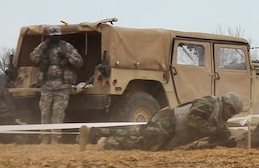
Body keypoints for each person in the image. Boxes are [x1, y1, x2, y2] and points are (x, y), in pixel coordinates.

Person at [79, 93, 243, 151]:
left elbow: (222, 134)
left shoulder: (219, 118)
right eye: (231, 111)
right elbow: (193, 120)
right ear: (226, 104)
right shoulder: (209, 103)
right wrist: (213, 129)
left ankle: (94, 133)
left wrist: (233, 139)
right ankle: (105, 144)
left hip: (170, 128)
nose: (231, 115)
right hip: (167, 121)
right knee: (144, 144)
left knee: (138, 133)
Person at [30, 25, 83, 144]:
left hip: (62, 85)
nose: (55, 39)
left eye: (57, 36)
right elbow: (33, 57)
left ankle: (55, 139)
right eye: (52, 37)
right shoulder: (44, 47)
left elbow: (79, 62)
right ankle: (44, 138)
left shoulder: (67, 47)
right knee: (45, 112)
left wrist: (67, 56)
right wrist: (44, 45)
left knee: (57, 113)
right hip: (47, 85)